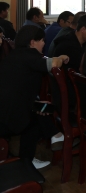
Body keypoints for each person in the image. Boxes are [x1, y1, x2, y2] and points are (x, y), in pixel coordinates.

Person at [0, 25, 68, 168]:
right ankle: (28, 160)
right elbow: (54, 63)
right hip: (6, 117)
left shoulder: (14, 54)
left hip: (6, 107)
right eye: (42, 40)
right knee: (35, 118)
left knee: (40, 109)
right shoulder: (30, 56)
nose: (44, 43)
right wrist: (62, 57)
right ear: (32, 42)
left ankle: (53, 136)